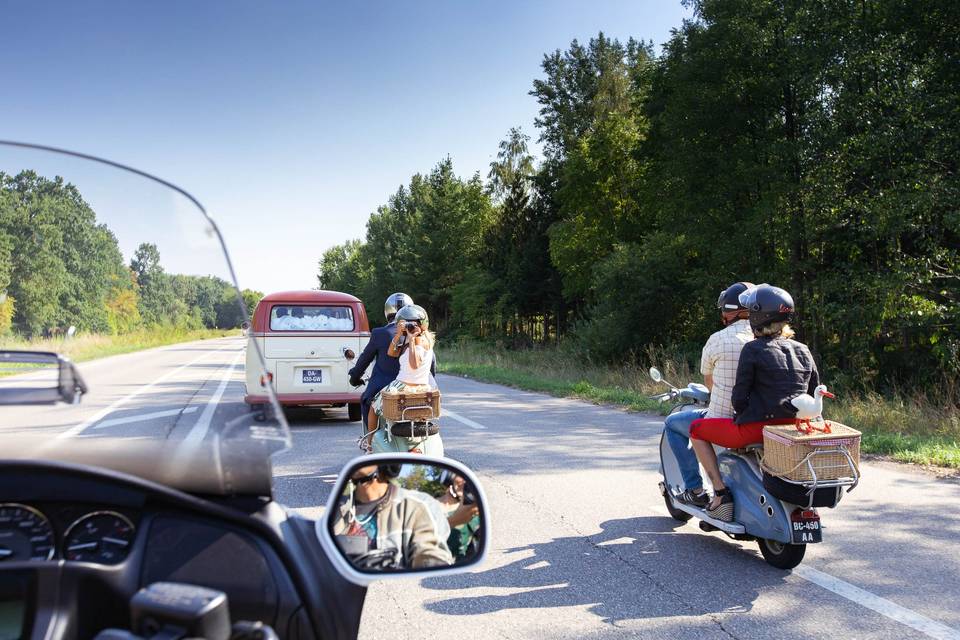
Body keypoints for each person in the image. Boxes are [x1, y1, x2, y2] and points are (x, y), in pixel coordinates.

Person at [689, 284, 821, 522]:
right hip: (792, 431)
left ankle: (720, 494)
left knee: (696, 430)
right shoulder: (803, 349)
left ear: (758, 316)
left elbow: (739, 398)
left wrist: (741, 415)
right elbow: (813, 392)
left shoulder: (753, 349)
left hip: (757, 429)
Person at [665, 281, 754, 508]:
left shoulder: (718, 339)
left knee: (674, 423)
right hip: (760, 416)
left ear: (727, 312)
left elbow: (711, 384)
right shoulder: (769, 339)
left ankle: (696, 489)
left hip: (726, 417)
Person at [332, 464, 454, 570]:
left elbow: (429, 550)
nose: (364, 456)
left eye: (371, 455)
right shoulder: (339, 507)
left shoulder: (417, 505)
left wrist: (430, 563)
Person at [365, 304, 443, 455]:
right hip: (423, 387)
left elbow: (414, 364)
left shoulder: (419, 341)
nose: (410, 326)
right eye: (406, 324)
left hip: (402, 386)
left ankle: (369, 446)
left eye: (413, 324)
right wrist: (399, 335)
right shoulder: (412, 340)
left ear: (422, 325)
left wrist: (412, 340)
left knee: (373, 408)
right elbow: (391, 354)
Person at [349, 293, 415, 432]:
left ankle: (370, 441)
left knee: (366, 400)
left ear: (387, 311)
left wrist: (355, 377)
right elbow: (431, 362)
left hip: (382, 388)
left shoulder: (380, 333)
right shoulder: (418, 333)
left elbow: (364, 359)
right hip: (412, 389)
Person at [436, 470, 481, 561]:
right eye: (461, 475)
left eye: (469, 479)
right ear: (448, 478)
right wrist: (454, 520)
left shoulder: (472, 511)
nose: (465, 481)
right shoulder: (428, 506)